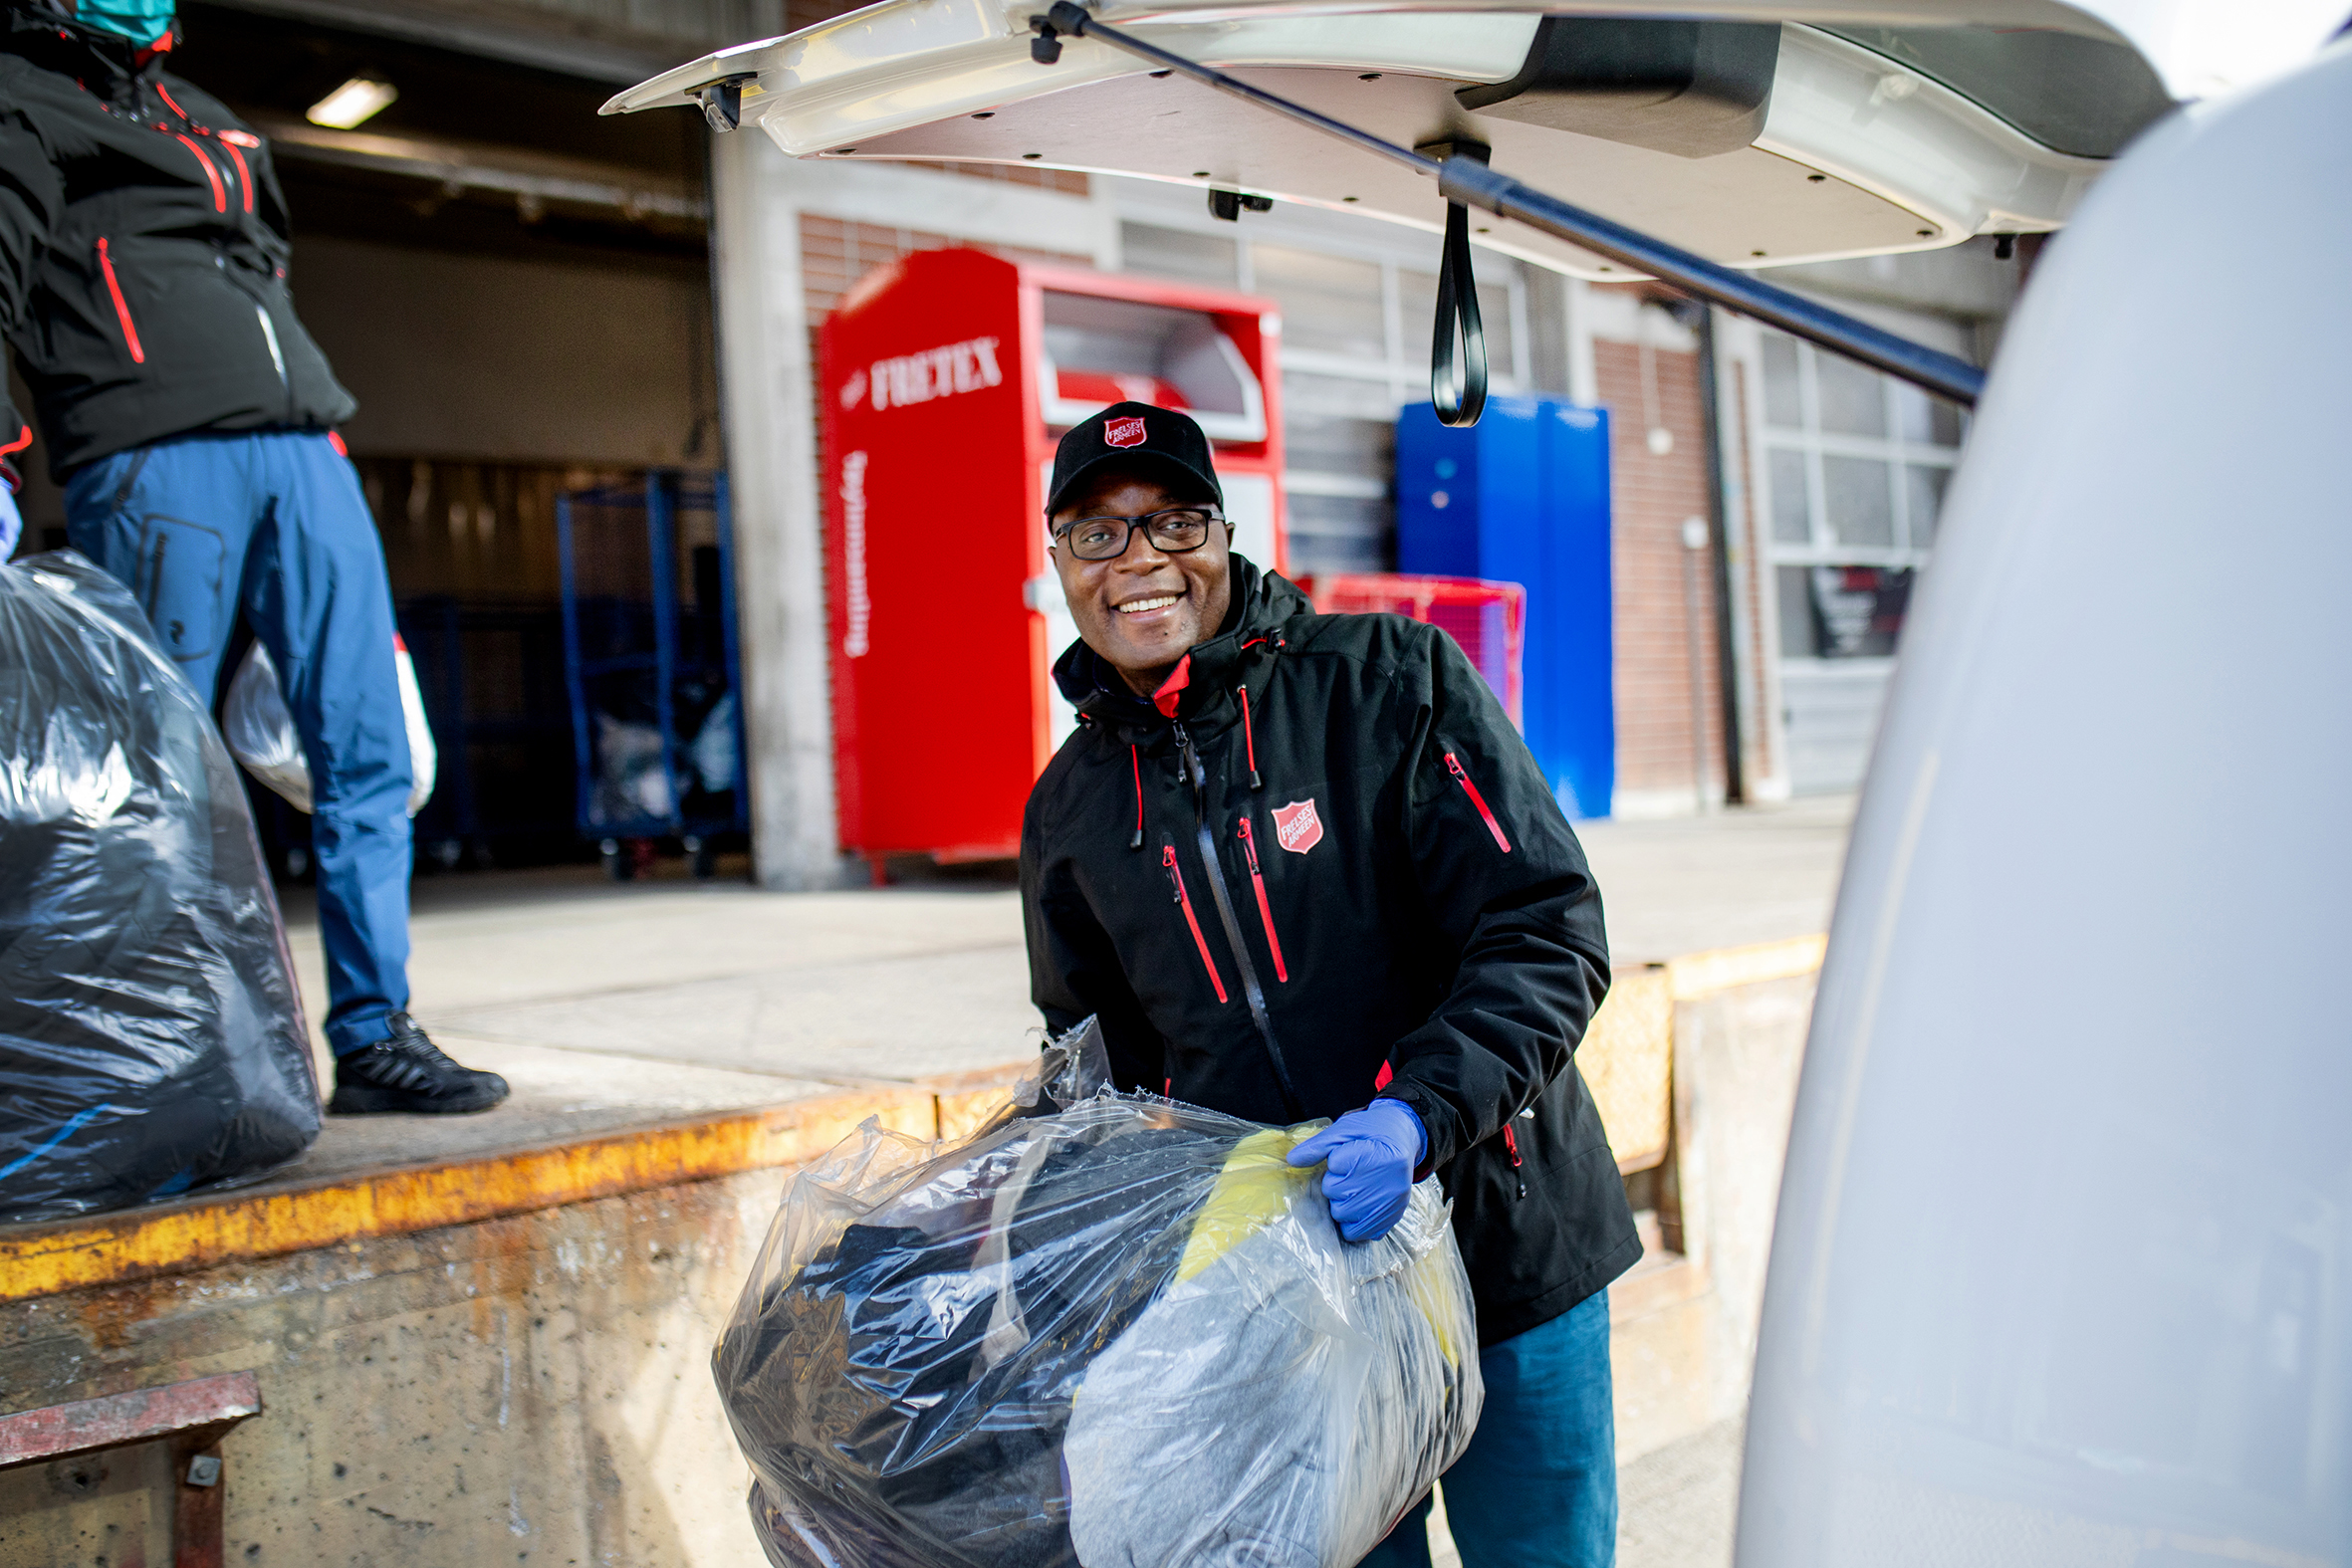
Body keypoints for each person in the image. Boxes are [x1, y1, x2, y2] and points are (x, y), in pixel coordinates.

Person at [1021, 401, 1638, 1567]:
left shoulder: (1388, 679)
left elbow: (1545, 929)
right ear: (1058, 565)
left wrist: (1420, 1115)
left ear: (1223, 537)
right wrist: (1054, 1245)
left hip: (1506, 1243)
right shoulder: (1068, 810)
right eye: (1096, 534)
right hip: (1296, 1304)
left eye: (1172, 522)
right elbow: (1095, 1072)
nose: (1141, 560)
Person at [0, 0, 507, 1114]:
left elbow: (264, 269)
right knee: (153, 773)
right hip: (152, 451)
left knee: (367, 750)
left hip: (305, 450)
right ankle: (169, 1047)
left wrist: (312, 423)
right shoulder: (20, 95)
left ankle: (374, 1036)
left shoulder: (207, 116)